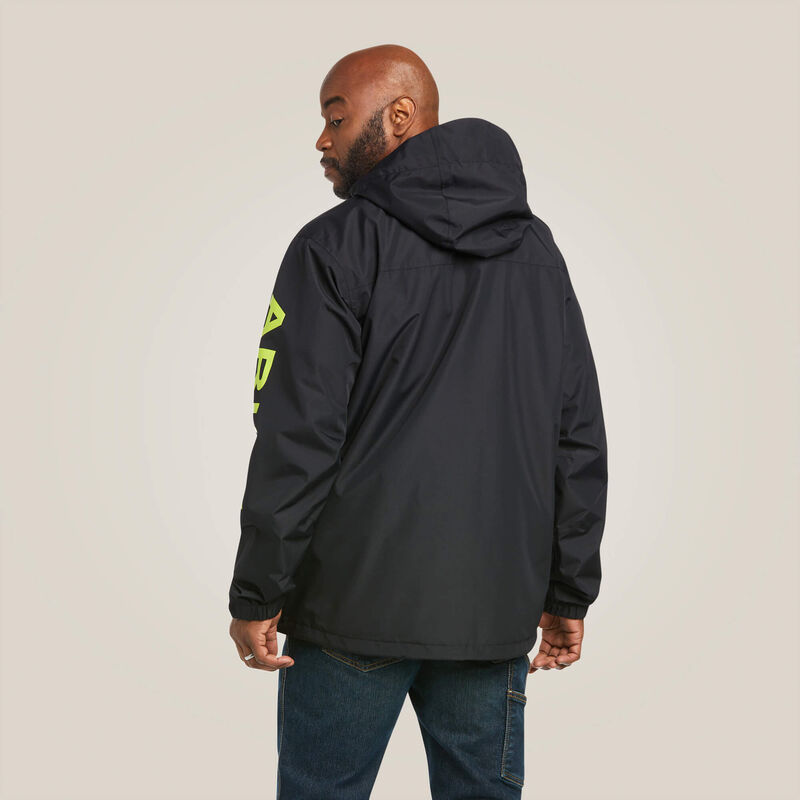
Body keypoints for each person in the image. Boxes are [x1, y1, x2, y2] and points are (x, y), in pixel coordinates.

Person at [228, 43, 608, 800]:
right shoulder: (537, 251)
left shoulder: (333, 246)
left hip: (349, 610)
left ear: (400, 115)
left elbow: (297, 437)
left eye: (337, 117)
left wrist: (257, 593)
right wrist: (569, 591)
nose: (323, 139)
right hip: (491, 614)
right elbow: (576, 433)